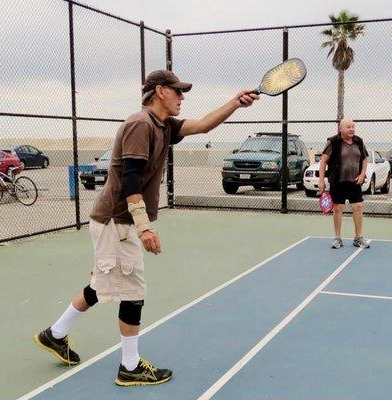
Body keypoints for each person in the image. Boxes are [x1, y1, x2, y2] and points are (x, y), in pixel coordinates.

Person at [34, 70, 258, 386]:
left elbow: (204, 124)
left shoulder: (163, 125)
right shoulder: (140, 124)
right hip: (119, 221)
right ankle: (129, 366)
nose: (182, 97)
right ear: (159, 91)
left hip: (116, 221)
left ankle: (54, 334)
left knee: (102, 284)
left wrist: (235, 103)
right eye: (178, 91)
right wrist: (145, 228)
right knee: (133, 292)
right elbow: (130, 179)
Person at [318, 118, 370, 250]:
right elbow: (323, 162)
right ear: (341, 129)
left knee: (358, 206)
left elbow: (364, 159)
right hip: (338, 181)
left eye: (353, 127)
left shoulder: (358, 141)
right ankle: (337, 238)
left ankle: (358, 238)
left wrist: (362, 174)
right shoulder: (333, 142)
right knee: (338, 208)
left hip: (354, 181)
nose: (352, 129)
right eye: (348, 127)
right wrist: (321, 180)